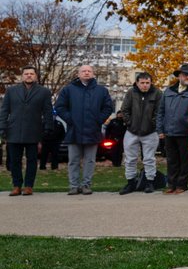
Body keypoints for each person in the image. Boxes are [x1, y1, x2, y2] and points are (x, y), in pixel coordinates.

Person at [54, 64, 114, 196]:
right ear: (78, 73)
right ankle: (74, 186)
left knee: (90, 160)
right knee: (73, 160)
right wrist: (70, 119)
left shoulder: (101, 91)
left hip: (92, 131)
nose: (86, 73)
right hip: (73, 131)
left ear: (93, 74)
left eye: (89, 71)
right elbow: (60, 107)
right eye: (83, 71)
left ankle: (86, 185)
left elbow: (108, 107)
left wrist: (99, 119)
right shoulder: (68, 89)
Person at [0, 66, 53, 196]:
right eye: (26, 74)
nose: (29, 75)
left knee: (32, 160)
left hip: (34, 130)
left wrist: (48, 127)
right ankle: (16, 186)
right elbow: (4, 110)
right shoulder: (11, 91)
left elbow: (47, 111)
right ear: (22, 76)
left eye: (31, 74)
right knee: (14, 160)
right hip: (14, 130)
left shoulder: (44, 92)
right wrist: (2, 126)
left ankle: (29, 186)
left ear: (35, 76)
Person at [115, 72, 161, 194]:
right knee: (130, 159)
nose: (145, 85)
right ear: (137, 83)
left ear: (151, 83)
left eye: (147, 83)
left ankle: (149, 182)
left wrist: (152, 124)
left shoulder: (157, 93)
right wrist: (130, 123)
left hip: (150, 132)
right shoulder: (131, 92)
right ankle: (130, 183)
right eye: (142, 83)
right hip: (132, 131)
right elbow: (124, 109)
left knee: (149, 159)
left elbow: (159, 112)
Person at [157, 63, 188, 194]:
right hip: (169, 131)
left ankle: (182, 185)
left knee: (186, 161)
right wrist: (160, 130)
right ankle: (171, 184)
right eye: (185, 74)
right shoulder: (168, 91)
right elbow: (160, 112)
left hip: (187, 132)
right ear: (179, 76)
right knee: (171, 160)